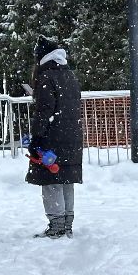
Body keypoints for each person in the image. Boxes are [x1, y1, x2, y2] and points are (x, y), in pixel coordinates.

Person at [26, 37, 83, 238]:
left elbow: (44, 111)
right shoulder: (70, 76)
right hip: (72, 136)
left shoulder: (46, 77)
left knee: (51, 180)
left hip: (53, 137)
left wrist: (37, 137)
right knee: (66, 179)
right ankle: (67, 223)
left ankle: (57, 225)